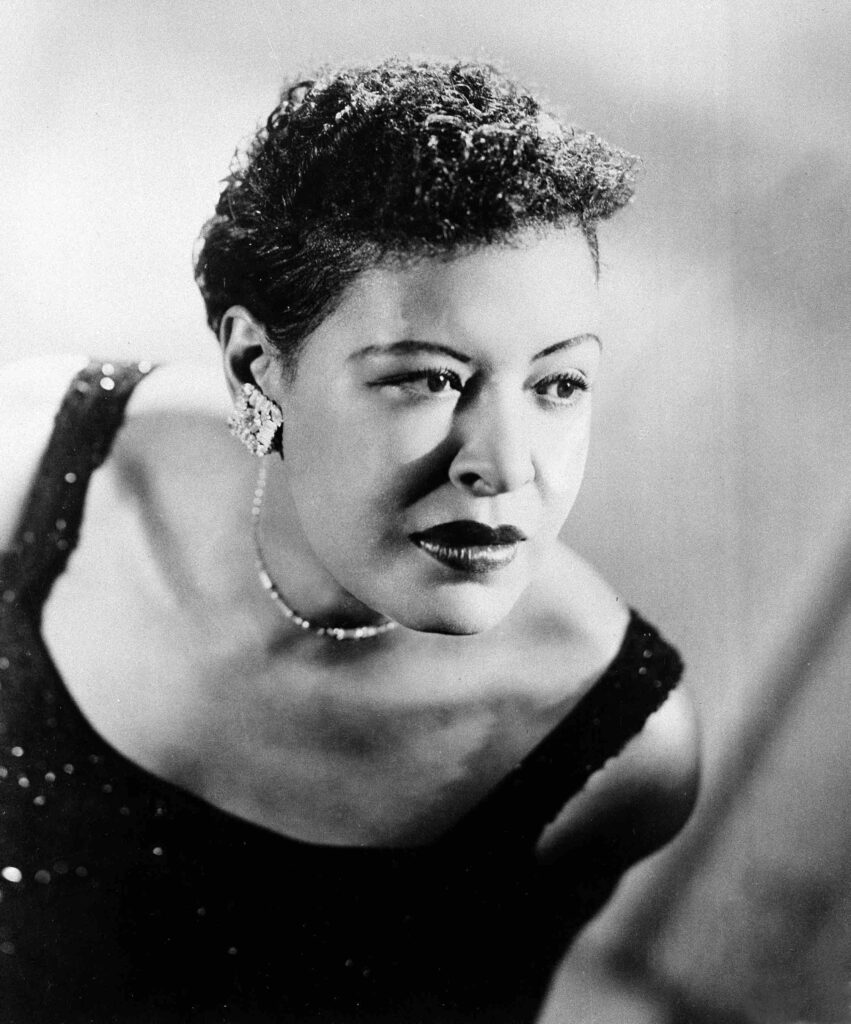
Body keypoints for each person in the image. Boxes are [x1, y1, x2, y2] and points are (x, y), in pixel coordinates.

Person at [0, 58, 699, 1023]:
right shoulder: (32, 468)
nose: (505, 466)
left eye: (557, 384)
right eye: (428, 378)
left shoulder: (614, 745)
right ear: (257, 365)